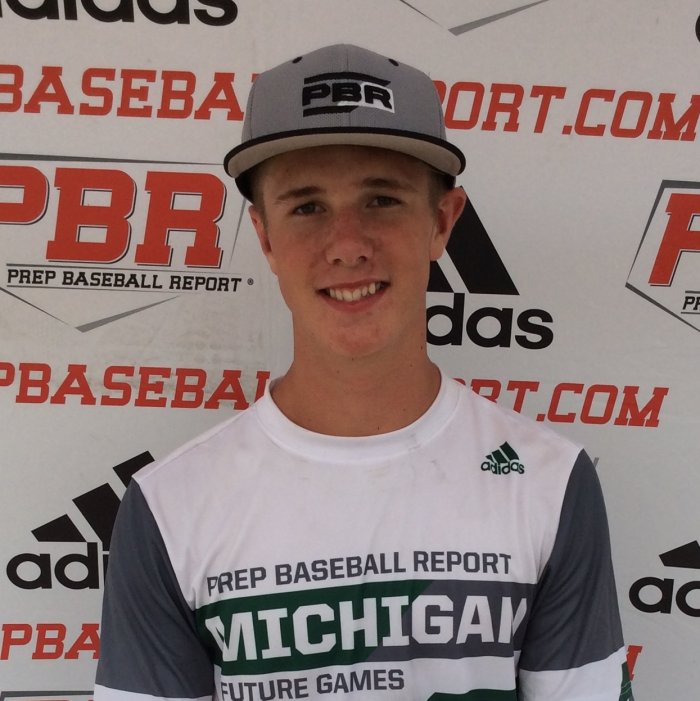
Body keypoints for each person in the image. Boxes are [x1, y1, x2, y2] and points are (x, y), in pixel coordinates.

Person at [94, 44, 633, 701]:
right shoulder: (169, 505)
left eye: (381, 199)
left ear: (442, 221)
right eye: (307, 207)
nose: (348, 244)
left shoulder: (549, 480)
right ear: (264, 236)